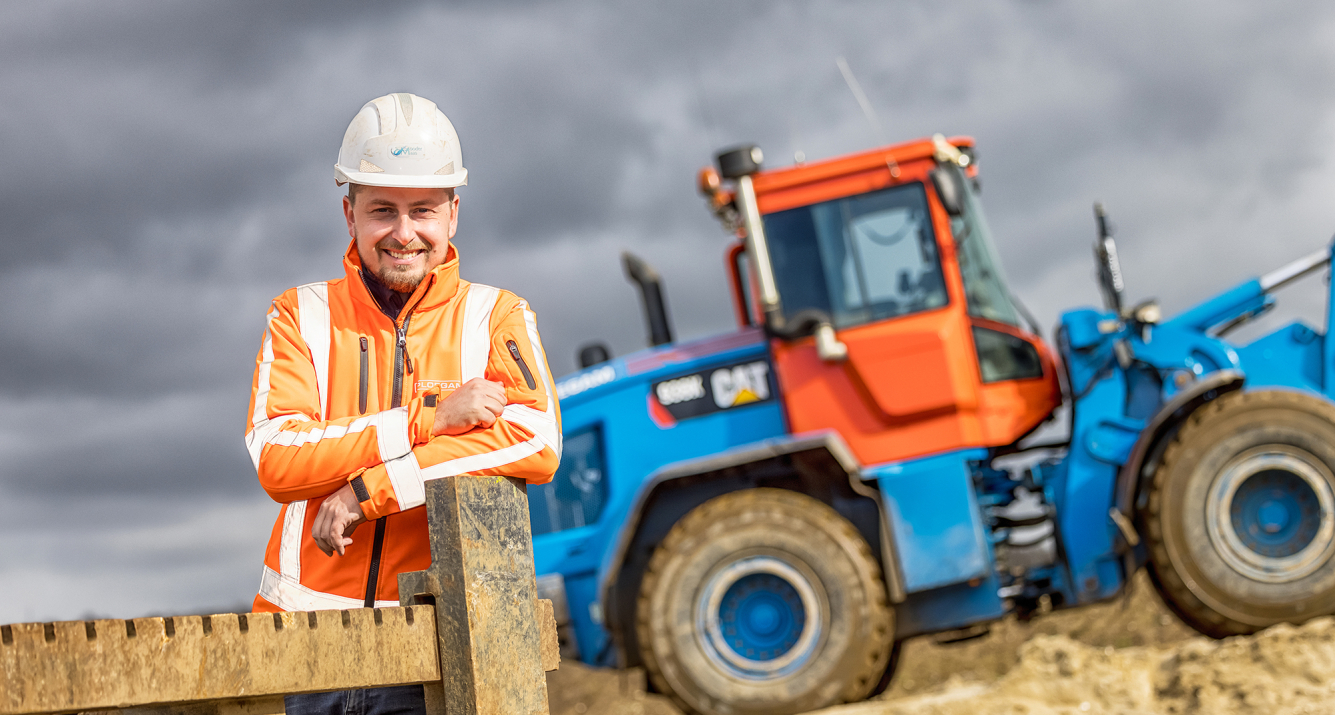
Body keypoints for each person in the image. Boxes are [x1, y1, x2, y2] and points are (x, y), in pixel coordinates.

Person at [243, 92, 562, 714]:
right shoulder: (299, 315)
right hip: (308, 651)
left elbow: (534, 439)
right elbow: (280, 459)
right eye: (382, 210)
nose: (404, 232)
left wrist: (371, 489)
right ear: (349, 213)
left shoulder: (496, 317)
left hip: (435, 655)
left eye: (424, 210)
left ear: (454, 213)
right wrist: (430, 419)